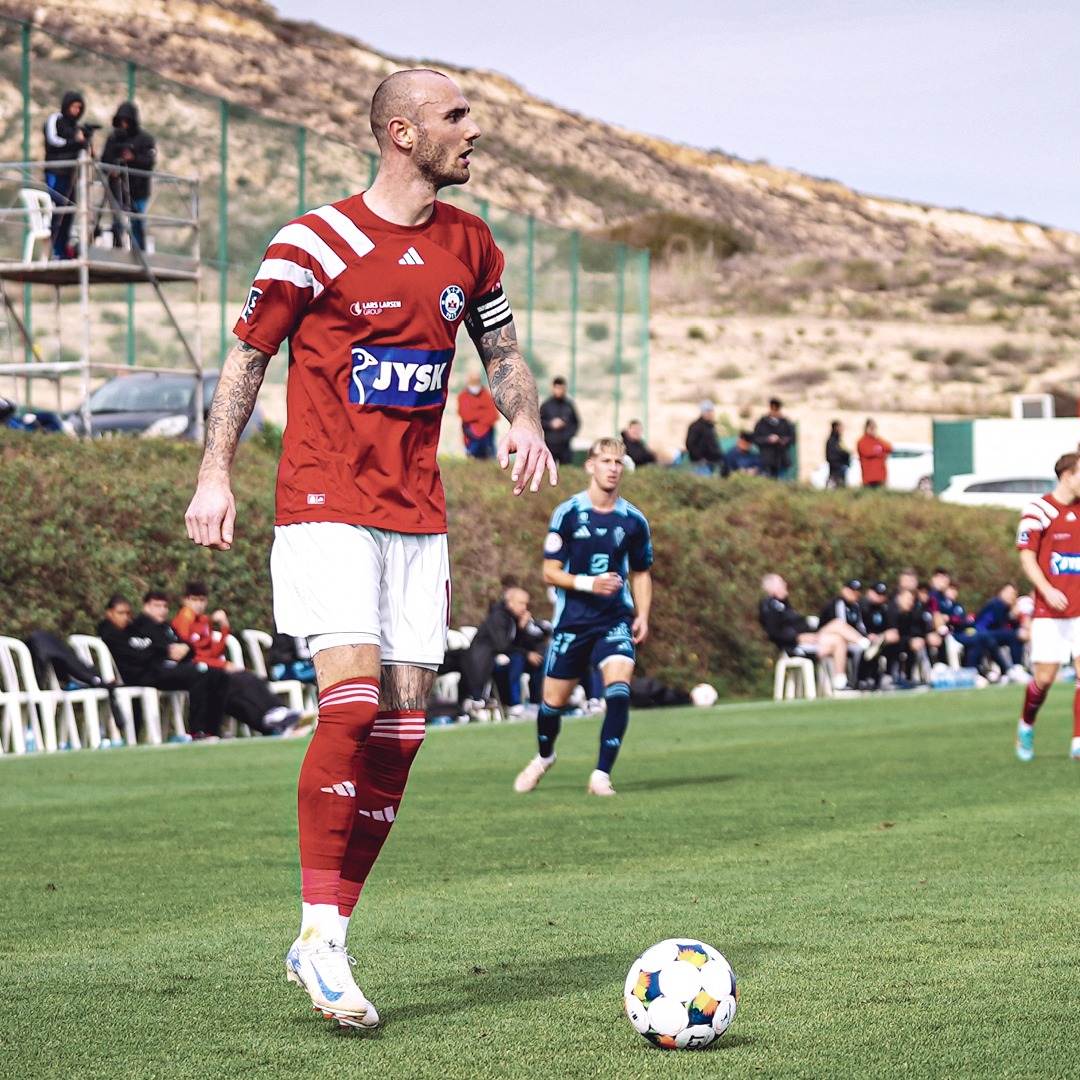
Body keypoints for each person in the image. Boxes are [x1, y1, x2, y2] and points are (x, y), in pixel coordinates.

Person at [184, 68, 557, 1030]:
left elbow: (502, 353)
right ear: (401, 132)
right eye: (455, 116)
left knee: (402, 733)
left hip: (417, 513)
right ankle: (321, 934)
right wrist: (215, 474)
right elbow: (247, 357)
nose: (473, 130)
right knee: (349, 707)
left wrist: (524, 420)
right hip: (324, 502)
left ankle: (327, 934)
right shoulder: (313, 241)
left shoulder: (471, 243)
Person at [514, 436, 653, 797]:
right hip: (573, 621)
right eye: (606, 461)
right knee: (552, 705)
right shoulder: (568, 513)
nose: (613, 469)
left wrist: (642, 614)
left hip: (615, 619)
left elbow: (641, 572)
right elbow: (550, 572)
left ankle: (601, 775)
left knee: (619, 690)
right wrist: (590, 584)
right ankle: (544, 757)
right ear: (590, 465)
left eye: (618, 462)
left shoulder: (634, 520)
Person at [1014, 452, 1080, 761]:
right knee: (1045, 678)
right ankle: (1026, 724)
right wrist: (1047, 589)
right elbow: (1027, 556)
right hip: (1049, 611)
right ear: (1068, 476)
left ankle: (1078, 740)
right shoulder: (1038, 509)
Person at [171, 581, 302, 736]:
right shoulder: (183, 621)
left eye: (202, 600)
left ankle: (280, 711)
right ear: (185, 600)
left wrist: (224, 627)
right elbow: (190, 656)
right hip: (204, 672)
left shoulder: (205, 621)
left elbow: (215, 651)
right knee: (235, 686)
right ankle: (269, 723)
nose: (198, 605)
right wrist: (223, 665)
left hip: (214, 667)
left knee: (251, 678)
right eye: (194, 600)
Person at [98, 591, 228, 740]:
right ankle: (199, 731)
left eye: (128, 613)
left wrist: (184, 649)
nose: (126, 617)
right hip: (144, 675)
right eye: (120, 613)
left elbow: (152, 648)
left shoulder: (133, 628)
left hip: (160, 668)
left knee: (216, 674)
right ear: (109, 613)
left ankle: (213, 729)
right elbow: (138, 654)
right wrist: (164, 651)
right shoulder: (111, 632)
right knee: (199, 674)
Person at [758, 573, 874, 692]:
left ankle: (862, 648)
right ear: (771, 588)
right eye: (781, 583)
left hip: (811, 638)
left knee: (837, 625)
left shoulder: (783, 604)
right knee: (837, 639)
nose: (785, 585)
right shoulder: (769, 606)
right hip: (796, 647)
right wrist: (797, 637)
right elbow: (774, 632)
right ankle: (843, 680)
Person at [101, 100, 156, 250]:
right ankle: (117, 248)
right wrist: (111, 170)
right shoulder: (113, 139)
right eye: (121, 121)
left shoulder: (145, 139)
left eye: (127, 121)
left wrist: (134, 158)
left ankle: (139, 251)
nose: (124, 125)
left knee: (137, 223)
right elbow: (104, 159)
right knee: (117, 222)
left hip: (138, 190)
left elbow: (149, 162)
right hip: (116, 188)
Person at [43, 90, 88, 259]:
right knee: (59, 209)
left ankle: (62, 250)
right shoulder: (55, 120)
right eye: (73, 107)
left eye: (79, 108)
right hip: (55, 172)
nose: (76, 111)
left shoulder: (76, 128)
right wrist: (74, 142)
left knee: (69, 211)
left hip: (70, 176)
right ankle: (54, 250)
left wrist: (84, 143)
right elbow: (53, 141)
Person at [961, 583, 1027, 682]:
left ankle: (1010, 670)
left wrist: (1014, 617)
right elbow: (1001, 626)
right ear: (1002, 592)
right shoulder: (998, 604)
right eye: (1010, 593)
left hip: (989, 634)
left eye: (1014, 594)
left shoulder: (1005, 607)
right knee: (1014, 635)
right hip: (980, 633)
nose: (1012, 596)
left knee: (1014, 635)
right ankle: (1014, 669)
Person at [457, 368, 499, 459]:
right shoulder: (463, 396)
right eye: (473, 381)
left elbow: (493, 415)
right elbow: (466, 416)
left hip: (487, 434)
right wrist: (483, 413)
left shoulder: (485, 394)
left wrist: (476, 415)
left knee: (489, 456)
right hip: (471, 435)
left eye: (477, 381)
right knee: (473, 456)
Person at [539, 376, 580, 465]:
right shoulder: (546, 405)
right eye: (557, 388)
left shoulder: (569, 405)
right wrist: (551, 424)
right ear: (553, 388)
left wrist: (568, 435)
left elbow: (576, 423)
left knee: (566, 469)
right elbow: (539, 421)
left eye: (561, 389)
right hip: (550, 444)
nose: (559, 391)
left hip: (565, 446)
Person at [752, 398, 795, 479]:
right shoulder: (762, 423)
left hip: (781, 459)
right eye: (773, 408)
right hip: (766, 461)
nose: (774, 411)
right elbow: (756, 439)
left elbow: (792, 438)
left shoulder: (785, 423)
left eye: (776, 409)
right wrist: (768, 440)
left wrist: (783, 440)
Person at [685, 399, 722, 475]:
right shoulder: (696, 427)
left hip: (712, 463)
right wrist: (700, 458)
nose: (711, 414)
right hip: (700, 464)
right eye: (709, 411)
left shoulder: (709, 427)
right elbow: (690, 444)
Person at [857, 419, 892, 489]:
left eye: (874, 428)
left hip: (880, 476)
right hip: (868, 478)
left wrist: (877, 438)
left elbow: (889, 448)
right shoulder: (862, 441)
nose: (873, 430)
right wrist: (881, 453)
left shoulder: (878, 440)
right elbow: (867, 452)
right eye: (871, 428)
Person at [825, 420, 851, 488]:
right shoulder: (832, 441)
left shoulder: (838, 440)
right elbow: (831, 456)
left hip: (841, 468)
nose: (842, 430)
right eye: (840, 428)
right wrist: (844, 455)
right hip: (836, 470)